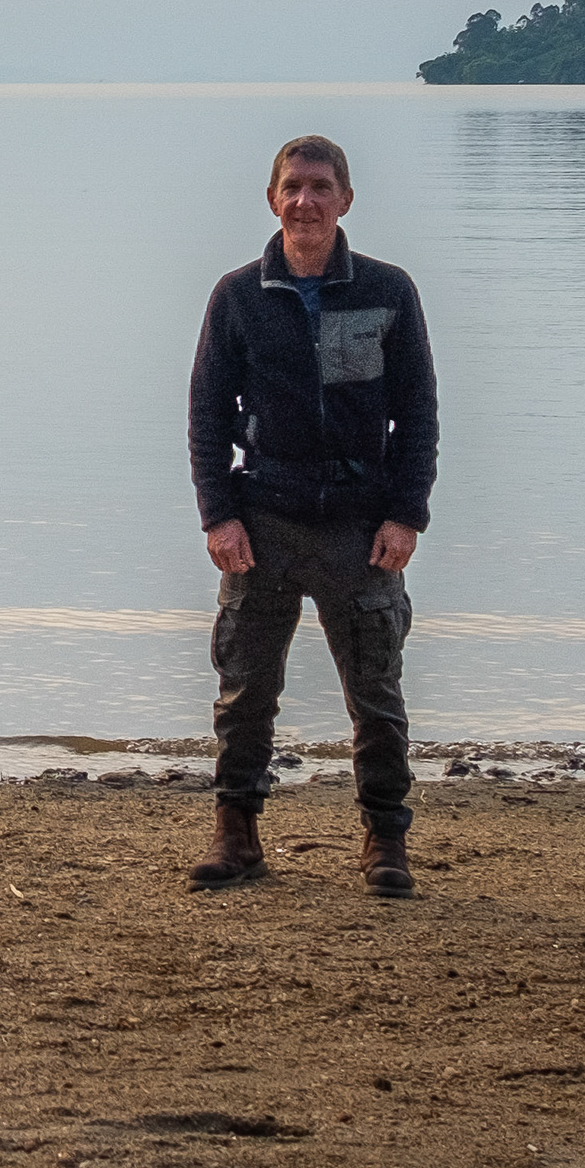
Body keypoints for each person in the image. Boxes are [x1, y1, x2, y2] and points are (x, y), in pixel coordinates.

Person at [184, 134, 439, 896]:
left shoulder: (388, 292)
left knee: (377, 696)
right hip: (262, 521)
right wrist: (218, 517)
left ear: (345, 200)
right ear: (272, 199)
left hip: (361, 529)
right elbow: (206, 416)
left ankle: (385, 840)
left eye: (321, 187)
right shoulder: (237, 296)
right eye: (292, 187)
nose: (306, 201)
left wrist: (407, 515)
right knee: (244, 694)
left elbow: (418, 414)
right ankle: (237, 837)